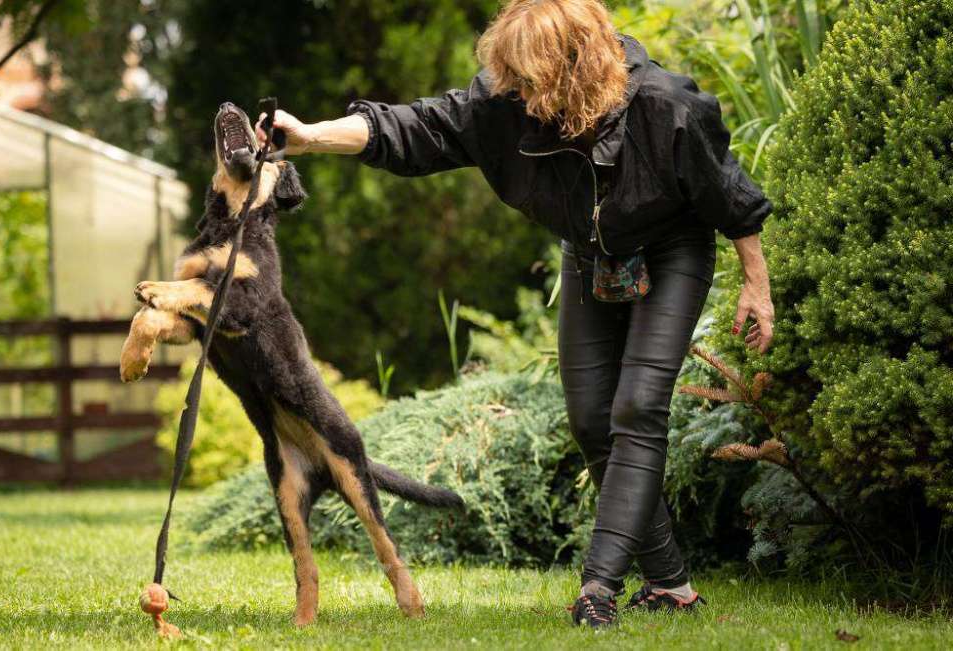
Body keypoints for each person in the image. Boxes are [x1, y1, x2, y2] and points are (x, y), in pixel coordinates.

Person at [256, 0, 774, 628]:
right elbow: (416, 127)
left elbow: (732, 197)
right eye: (514, 81)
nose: (520, 96)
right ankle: (671, 586)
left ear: (575, 69)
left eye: (532, 81)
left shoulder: (670, 107)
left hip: (670, 252)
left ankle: (598, 590)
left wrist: (756, 286)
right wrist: (310, 136)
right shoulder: (507, 104)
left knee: (637, 408)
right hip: (589, 256)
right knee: (590, 421)